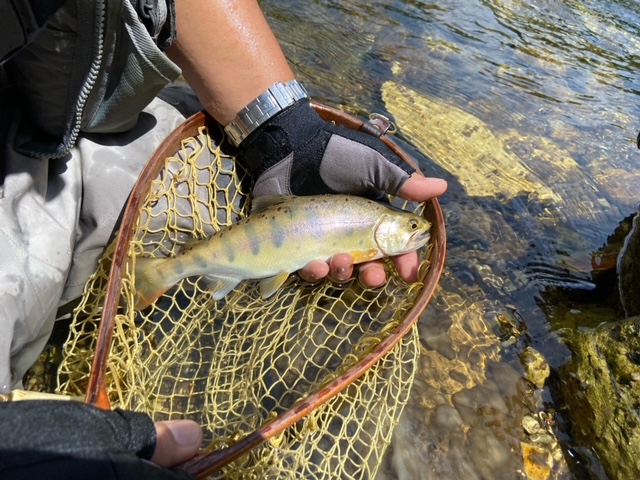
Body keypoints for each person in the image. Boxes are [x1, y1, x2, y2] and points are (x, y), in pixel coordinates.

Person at [0, 0, 447, 478]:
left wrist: (283, 135)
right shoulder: (374, 236)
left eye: (413, 231)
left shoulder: (370, 228)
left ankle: (149, 276)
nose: (418, 234)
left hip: (49, 126)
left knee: (206, 143)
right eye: (413, 230)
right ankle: (151, 278)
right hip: (39, 142)